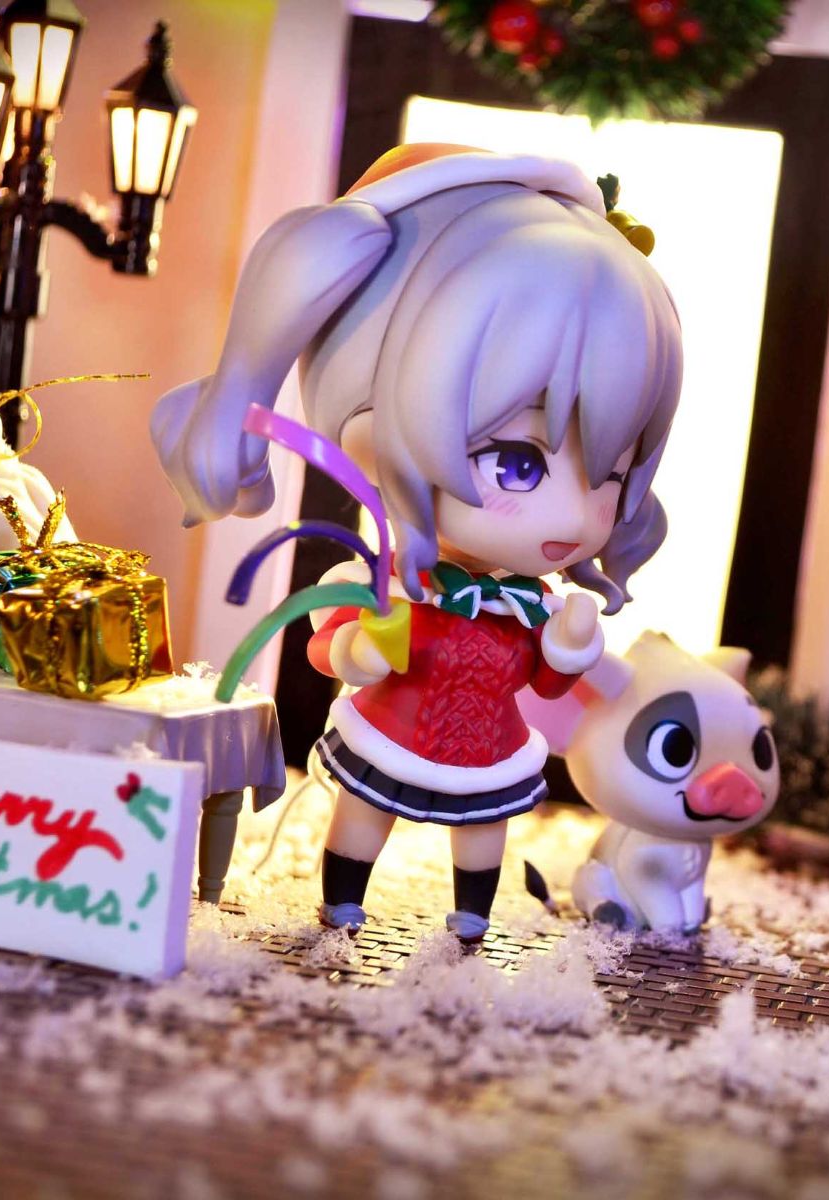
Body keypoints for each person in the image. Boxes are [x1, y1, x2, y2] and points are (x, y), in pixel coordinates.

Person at [152, 144, 683, 941]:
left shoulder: (527, 602)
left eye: (608, 471)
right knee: (365, 811)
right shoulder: (392, 581)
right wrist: (359, 651)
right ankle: (343, 898)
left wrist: (569, 645)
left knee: (485, 830)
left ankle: (471, 915)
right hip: (392, 733)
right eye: (518, 462)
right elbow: (330, 643)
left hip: (492, 746)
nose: (573, 518)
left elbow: (543, 679)